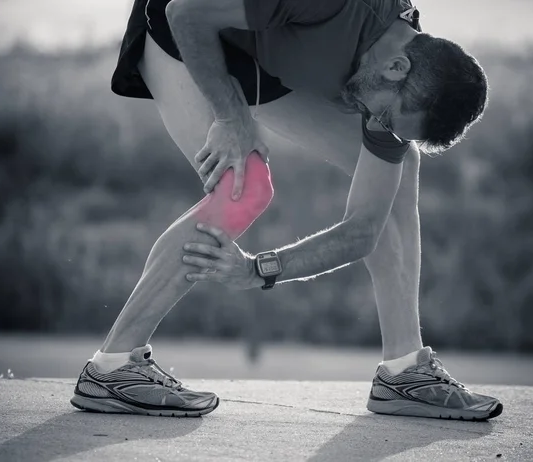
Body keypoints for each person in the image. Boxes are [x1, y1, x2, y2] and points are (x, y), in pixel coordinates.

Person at [70, 0, 503, 420]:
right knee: (245, 188)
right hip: (183, 25)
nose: (379, 124)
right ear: (396, 68)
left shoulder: (397, 68)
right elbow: (187, 13)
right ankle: (113, 367)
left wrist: (260, 270)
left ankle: (405, 372)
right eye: (388, 117)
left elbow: (364, 229)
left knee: (399, 164)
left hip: (259, 42)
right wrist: (231, 115)